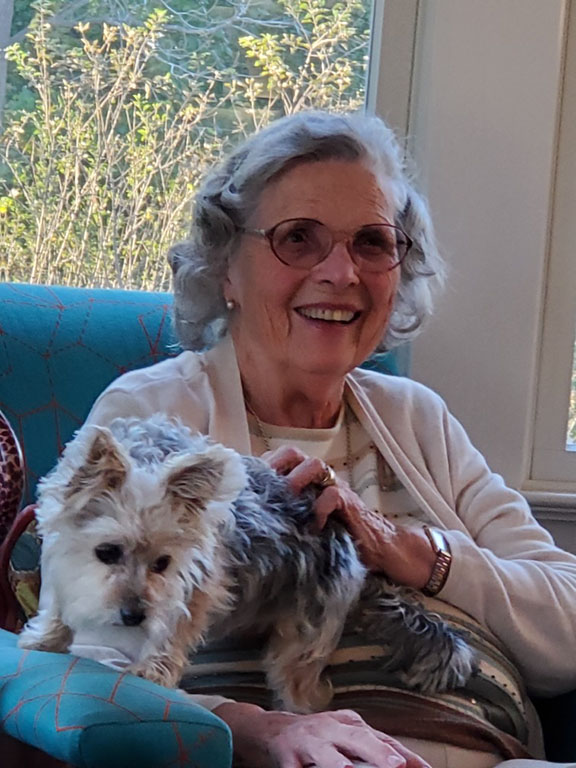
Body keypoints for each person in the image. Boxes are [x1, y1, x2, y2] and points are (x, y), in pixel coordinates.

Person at [75, 111, 576, 768]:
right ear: (226, 268)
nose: (341, 272)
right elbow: (84, 658)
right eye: (298, 238)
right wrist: (261, 731)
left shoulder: (416, 418)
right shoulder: (151, 414)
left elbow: (567, 627)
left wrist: (415, 553)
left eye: (372, 242)